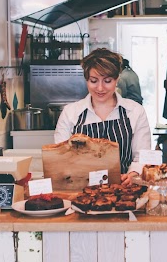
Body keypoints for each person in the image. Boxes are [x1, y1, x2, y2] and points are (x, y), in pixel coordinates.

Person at [55, 48, 152, 184]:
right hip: (81, 191)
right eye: (94, 81)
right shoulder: (70, 113)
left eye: (107, 81)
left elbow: (142, 155)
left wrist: (133, 174)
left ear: (117, 79)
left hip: (123, 190)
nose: (100, 88)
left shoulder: (135, 111)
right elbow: (61, 157)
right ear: (86, 80)